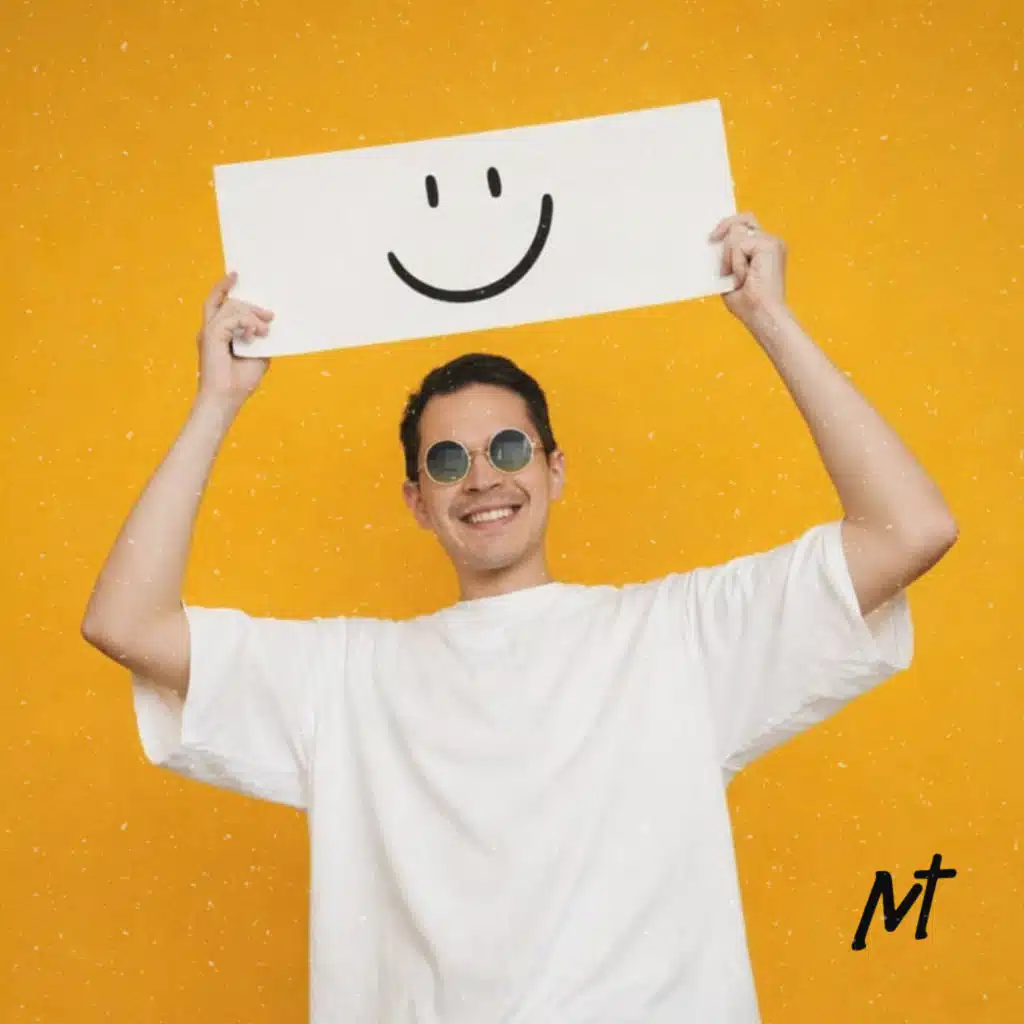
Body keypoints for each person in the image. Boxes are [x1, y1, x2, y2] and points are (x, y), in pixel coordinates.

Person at [81, 212, 958, 1023]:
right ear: (417, 502)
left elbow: (910, 529)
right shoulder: (345, 679)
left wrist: (772, 319)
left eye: (508, 448)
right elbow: (127, 622)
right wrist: (217, 402)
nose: (482, 479)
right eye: (447, 461)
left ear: (554, 469)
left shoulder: (678, 637)